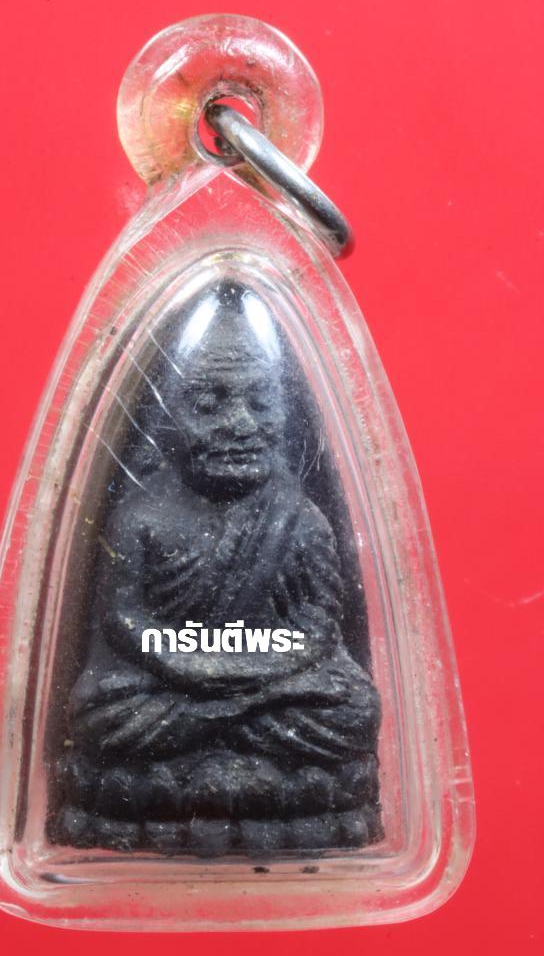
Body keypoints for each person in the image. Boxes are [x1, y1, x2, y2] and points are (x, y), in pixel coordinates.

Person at [53, 279, 381, 856]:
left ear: (285, 409)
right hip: (167, 682)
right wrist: (193, 669)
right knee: (98, 712)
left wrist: (247, 675)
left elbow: (318, 629)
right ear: (167, 416)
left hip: (267, 682)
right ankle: (234, 756)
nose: (240, 424)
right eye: (209, 405)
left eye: (261, 402)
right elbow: (124, 619)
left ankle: (205, 755)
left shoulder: (299, 519)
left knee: (352, 708)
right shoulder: (142, 514)